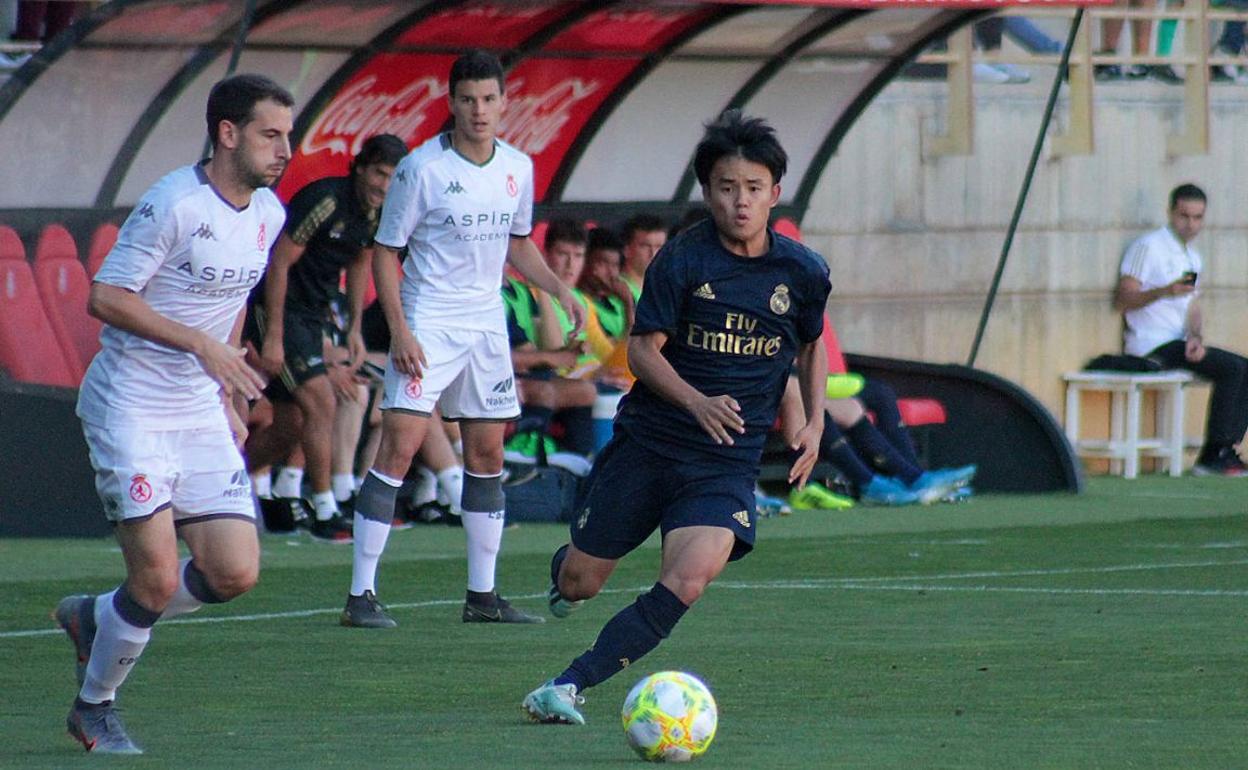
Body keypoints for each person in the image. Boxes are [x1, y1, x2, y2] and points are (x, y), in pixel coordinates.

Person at [521, 109, 831, 725]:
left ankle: (565, 685)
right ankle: (567, 567)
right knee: (582, 583)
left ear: (774, 192)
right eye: (725, 187)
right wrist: (695, 401)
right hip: (651, 445)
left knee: (689, 579)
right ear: (707, 191)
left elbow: (807, 343)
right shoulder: (683, 261)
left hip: (724, 464)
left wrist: (812, 419)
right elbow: (640, 350)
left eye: (752, 188)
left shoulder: (802, 271)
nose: (740, 202)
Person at [53, 74, 293, 754]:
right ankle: (94, 707)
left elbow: (236, 295)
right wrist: (201, 347)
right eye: (270, 135)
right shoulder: (173, 204)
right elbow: (106, 297)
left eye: (287, 135)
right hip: (131, 404)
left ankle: (101, 617)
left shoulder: (268, 214)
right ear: (227, 133)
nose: (285, 150)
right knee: (157, 576)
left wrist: (224, 388)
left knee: (235, 572)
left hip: (196, 406)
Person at [341, 50, 585, 628]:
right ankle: (360, 595)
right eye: (468, 99)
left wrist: (558, 291)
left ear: (504, 103)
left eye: (489, 99)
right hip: (429, 319)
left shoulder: (517, 169)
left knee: (487, 454)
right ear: (451, 104)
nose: (479, 110)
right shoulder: (420, 168)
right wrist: (399, 330)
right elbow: (385, 252)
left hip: (485, 325)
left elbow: (518, 241)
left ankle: (483, 595)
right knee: (397, 448)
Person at [242, 133, 407, 541]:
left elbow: (361, 260)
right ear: (361, 168)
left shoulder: (374, 214)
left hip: (313, 318)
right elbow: (279, 262)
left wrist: (353, 326)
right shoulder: (327, 200)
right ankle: (325, 507)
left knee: (290, 426)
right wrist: (274, 334)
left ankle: (218, 486)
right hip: (278, 311)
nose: (383, 186)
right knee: (322, 401)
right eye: (379, 174)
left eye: (393, 179)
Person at [1114, 183, 1248, 476]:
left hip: (1177, 341)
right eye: (1184, 216)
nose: (1191, 224)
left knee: (1242, 367)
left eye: (1198, 217)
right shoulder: (1148, 247)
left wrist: (1195, 338)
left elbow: (1192, 305)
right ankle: (1214, 454)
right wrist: (1162, 291)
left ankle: (1224, 449)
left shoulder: (1191, 256)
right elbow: (1123, 299)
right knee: (1233, 370)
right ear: (1171, 212)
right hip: (1149, 343)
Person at [619, 212, 667, 302]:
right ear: (626, 249)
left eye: (659, 246)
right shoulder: (616, 290)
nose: (653, 253)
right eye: (645, 246)